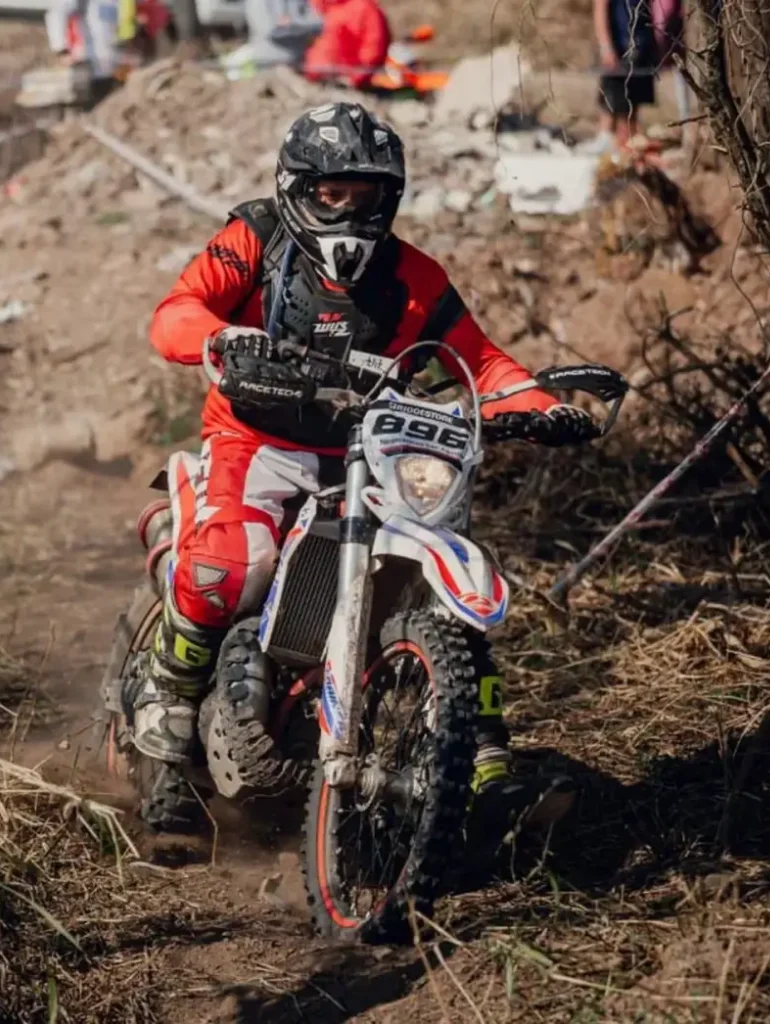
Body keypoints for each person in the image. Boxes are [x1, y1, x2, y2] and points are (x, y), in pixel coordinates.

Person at [140, 102, 597, 826]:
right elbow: (175, 312)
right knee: (230, 566)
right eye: (332, 193)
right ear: (298, 188)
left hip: (369, 448)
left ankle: (485, 766)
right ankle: (164, 738)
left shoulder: (414, 276)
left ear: (391, 197)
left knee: (436, 579)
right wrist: (226, 338)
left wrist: (540, 405)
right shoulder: (254, 237)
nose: (349, 208)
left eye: (366, 194)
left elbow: (478, 363)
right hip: (253, 438)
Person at [593, 0, 658, 149]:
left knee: (633, 110)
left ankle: (628, 147)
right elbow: (600, 9)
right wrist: (606, 47)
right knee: (615, 104)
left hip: (642, 46)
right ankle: (608, 141)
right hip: (619, 48)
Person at [302, 0, 390, 90]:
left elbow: (374, 47)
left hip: (345, 84)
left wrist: (356, 78)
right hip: (311, 82)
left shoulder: (364, 8)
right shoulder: (314, 6)